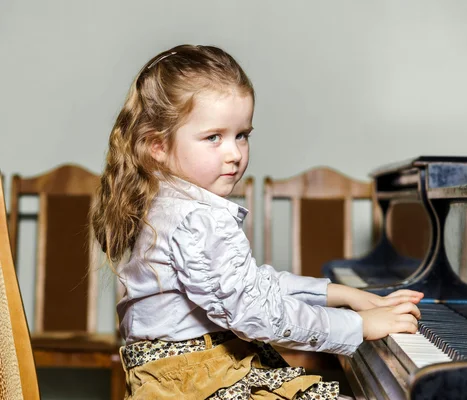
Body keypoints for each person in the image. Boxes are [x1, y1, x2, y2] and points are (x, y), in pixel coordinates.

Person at [91, 44, 423, 400]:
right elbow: (254, 311)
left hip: (175, 378)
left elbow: (248, 285)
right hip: (198, 382)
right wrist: (357, 326)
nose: (234, 153)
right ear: (157, 145)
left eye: (242, 135)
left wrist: (338, 294)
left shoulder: (166, 203)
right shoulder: (199, 218)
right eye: (213, 137)